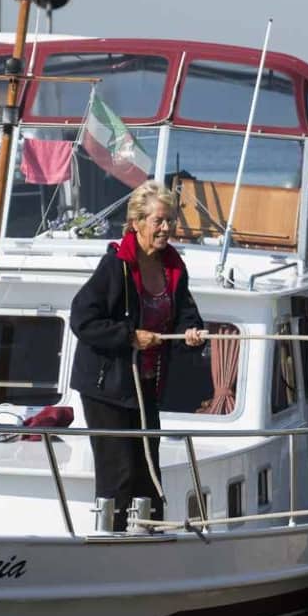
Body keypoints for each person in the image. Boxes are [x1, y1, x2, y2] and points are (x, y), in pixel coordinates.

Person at [69, 181, 206, 529]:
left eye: (170, 220)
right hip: (106, 387)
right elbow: (82, 319)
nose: (166, 228)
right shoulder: (116, 266)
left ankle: (148, 541)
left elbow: (185, 314)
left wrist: (192, 334)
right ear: (137, 223)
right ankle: (110, 545)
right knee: (119, 472)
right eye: (159, 220)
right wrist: (129, 337)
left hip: (145, 386)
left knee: (147, 470)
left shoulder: (174, 268)